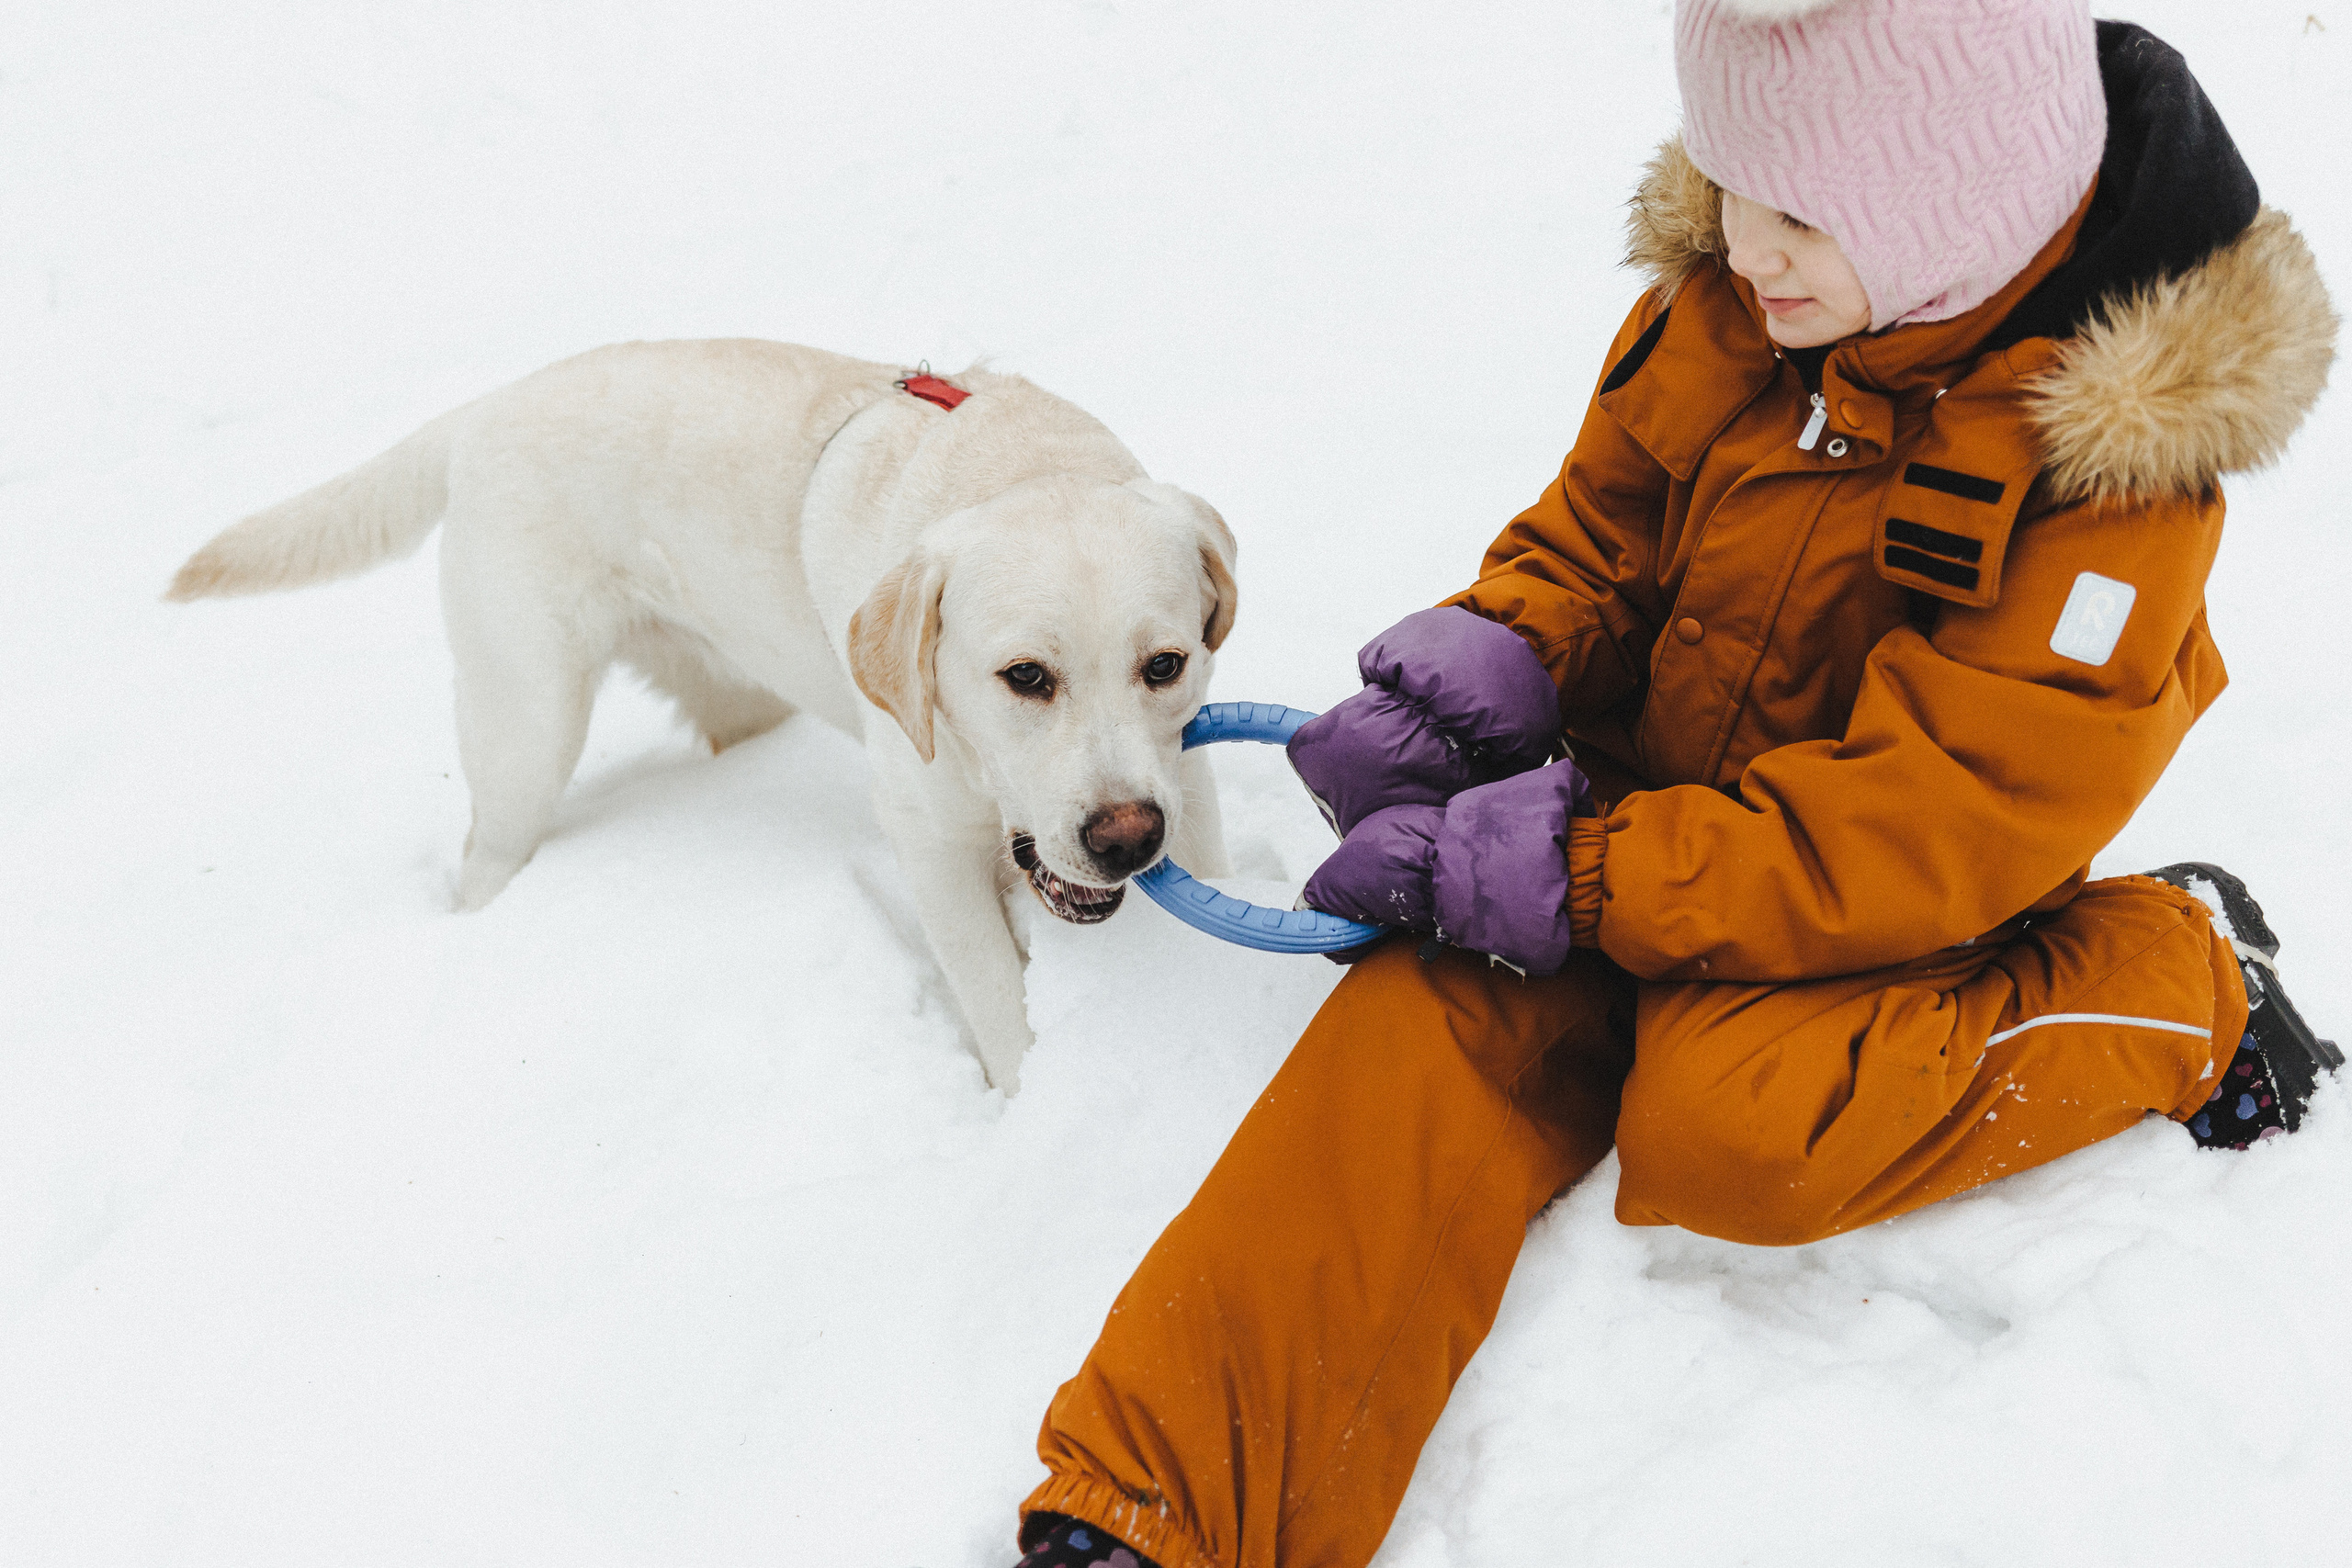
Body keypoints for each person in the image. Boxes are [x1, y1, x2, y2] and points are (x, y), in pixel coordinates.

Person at [1011, 4, 2339, 1565]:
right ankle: (1164, 1511)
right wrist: (1504, 661)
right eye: (1730, 188)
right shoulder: (1740, 300)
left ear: (1951, 210)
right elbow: (1602, 524)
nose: (1745, 247)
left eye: (1798, 216)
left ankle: (2179, 979)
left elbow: (1931, 818)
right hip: (1631, 812)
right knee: (1418, 1033)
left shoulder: (2103, 484)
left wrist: (1579, 879)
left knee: (1740, 1121)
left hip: (1902, 891)